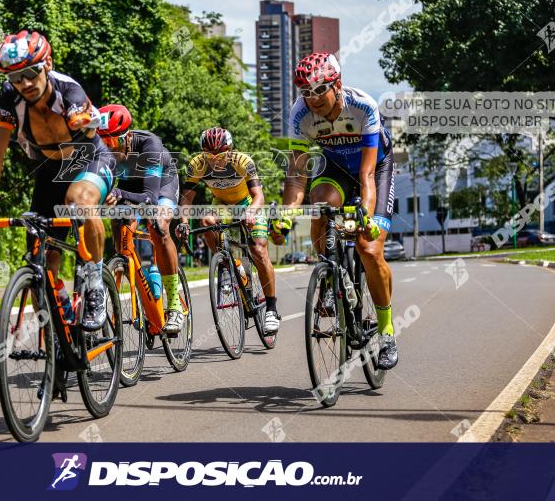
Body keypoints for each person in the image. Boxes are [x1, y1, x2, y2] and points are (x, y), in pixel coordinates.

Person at [0, 30, 114, 331]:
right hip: (50, 168)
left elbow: (90, 132)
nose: (25, 83)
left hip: (88, 157)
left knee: (79, 202)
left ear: (47, 65)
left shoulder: (68, 91)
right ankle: (61, 328)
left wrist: (84, 122)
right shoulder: (8, 98)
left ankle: (94, 283)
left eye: (31, 73)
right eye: (16, 77)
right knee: (39, 259)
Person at [276, 52, 398, 369]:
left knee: (369, 249)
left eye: (319, 90)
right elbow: (296, 174)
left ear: (337, 84)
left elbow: (367, 177)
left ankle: (386, 333)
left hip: (375, 170)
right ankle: (330, 276)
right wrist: (286, 214)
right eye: (305, 91)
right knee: (319, 204)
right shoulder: (299, 113)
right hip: (338, 168)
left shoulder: (363, 106)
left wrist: (366, 219)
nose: (312, 99)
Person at [175, 127, 280, 334]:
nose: (214, 160)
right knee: (206, 220)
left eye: (220, 155)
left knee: (259, 250)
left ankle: (271, 309)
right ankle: (228, 265)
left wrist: (251, 212)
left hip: (247, 204)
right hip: (221, 204)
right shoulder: (197, 164)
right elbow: (187, 198)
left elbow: (258, 195)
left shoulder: (243, 161)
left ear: (230, 150)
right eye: (209, 155)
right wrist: (184, 222)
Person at [97, 105, 184, 333]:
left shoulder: (149, 146)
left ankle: (174, 303)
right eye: (103, 144)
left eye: (113, 143)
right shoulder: (102, 151)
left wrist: (119, 194)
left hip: (161, 183)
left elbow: (149, 198)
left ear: (128, 137)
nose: (109, 150)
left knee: (158, 225)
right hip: (129, 185)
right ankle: (134, 282)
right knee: (120, 229)